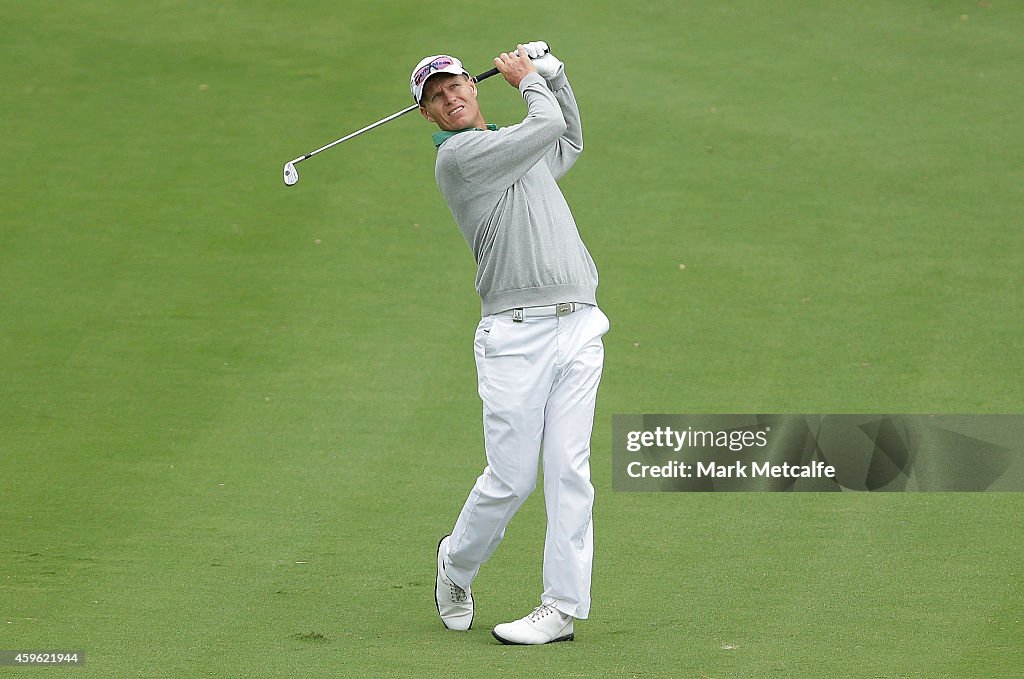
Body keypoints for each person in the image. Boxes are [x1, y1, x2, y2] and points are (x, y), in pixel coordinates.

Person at [410, 42, 609, 646]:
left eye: (455, 86)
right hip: (515, 335)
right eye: (436, 97)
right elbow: (545, 123)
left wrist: (555, 76)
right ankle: (456, 565)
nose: (450, 98)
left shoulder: (509, 146)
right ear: (428, 116)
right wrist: (530, 79)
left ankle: (561, 609)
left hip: (579, 323)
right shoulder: (463, 157)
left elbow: (565, 140)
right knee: (512, 477)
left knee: (570, 473)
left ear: (473, 88)